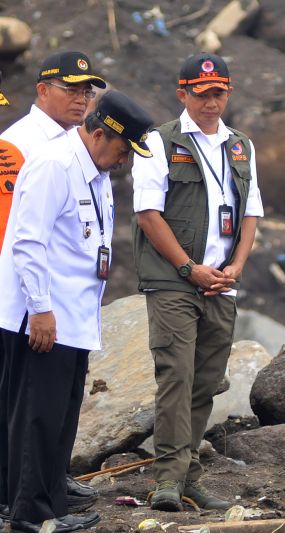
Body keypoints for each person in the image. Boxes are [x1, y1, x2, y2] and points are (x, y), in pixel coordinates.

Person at [0, 90, 153, 533]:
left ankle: (50, 506)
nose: (125, 160)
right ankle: (30, 515)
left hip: (74, 317)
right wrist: (40, 309)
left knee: (61, 419)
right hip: (46, 317)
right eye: (124, 149)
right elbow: (27, 242)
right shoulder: (55, 165)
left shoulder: (96, 171)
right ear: (101, 133)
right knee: (37, 418)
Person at [132, 52, 263, 512]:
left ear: (229, 92)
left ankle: (188, 476)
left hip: (220, 285)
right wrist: (189, 268)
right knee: (176, 376)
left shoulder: (240, 145)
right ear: (182, 93)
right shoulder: (157, 142)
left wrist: (236, 267)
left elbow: (249, 215)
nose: (211, 102)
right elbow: (148, 214)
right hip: (174, 281)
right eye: (202, 93)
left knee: (205, 383)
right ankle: (167, 480)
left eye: (219, 93)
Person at [0, 51, 109, 523]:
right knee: (21, 404)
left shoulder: (77, 144)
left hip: (52, 296)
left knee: (43, 406)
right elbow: (11, 229)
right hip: (21, 297)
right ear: (42, 90)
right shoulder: (20, 144)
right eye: (72, 88)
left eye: (87, 90)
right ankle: (18, 496)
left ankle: (41, 481)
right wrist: (34, 299)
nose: (82, 98)